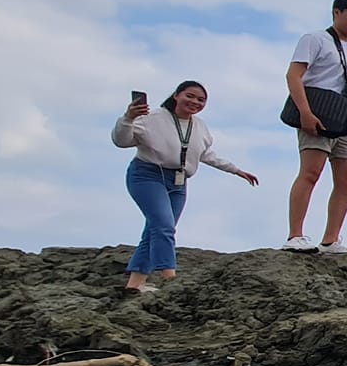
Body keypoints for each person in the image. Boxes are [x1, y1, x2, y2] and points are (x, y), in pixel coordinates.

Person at [111, 81, 259, 294]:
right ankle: (170, 278)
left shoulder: (199, 126)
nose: (195, 102)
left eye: (201, 100)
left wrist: (236, 170)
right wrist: (128, 118)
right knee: (163, 225)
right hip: (147, 175)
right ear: (176, 96)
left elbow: (205, 154)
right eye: (190, 96)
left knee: (154, 230)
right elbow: (122, 141)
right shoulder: (152, 118)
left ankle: (135, 284)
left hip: (179, 182)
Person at [282, 0, 347, 254]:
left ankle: (331, 239)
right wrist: (305, 111)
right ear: (337, 12)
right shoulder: (315, 39)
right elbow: (294, 75)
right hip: (318, 110)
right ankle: (295, 235)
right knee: (310, 172)